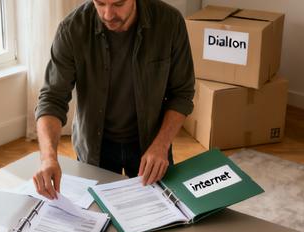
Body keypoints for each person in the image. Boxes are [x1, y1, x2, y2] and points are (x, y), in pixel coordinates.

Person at [33, 0, 195, 199]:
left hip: (152, 144)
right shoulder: (72, 29)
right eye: (100, 3)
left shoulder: (169, 22)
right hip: (95, 148)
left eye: (118, 4)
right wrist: (48, 158)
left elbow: (182, 94)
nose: (108, 14)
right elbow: (51, 99)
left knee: (157, 218)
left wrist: (161, 145)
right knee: (100, 218)